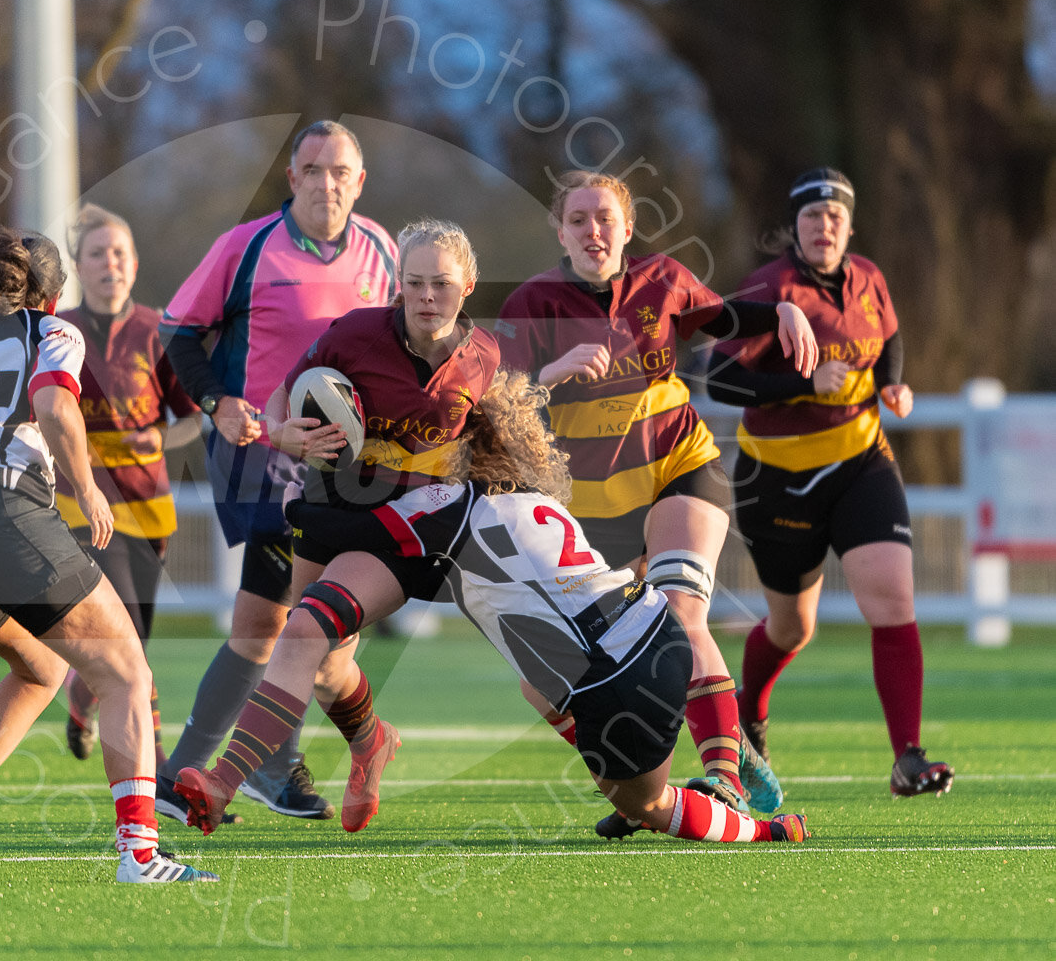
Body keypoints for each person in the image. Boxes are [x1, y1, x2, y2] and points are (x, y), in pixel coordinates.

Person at [181, 370, 811, 844]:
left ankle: (762, 830)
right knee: (538, 687)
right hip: (658, 634)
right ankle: (652, 778)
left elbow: (351, 527)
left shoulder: (443, 509)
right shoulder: (533, 497)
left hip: (614, 680)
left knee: (651, 805)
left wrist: (302, 477)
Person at [0, 227, 215, 884]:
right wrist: (87, 489)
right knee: (127, 672)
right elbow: (54, 405)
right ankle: (141, 854)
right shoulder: (52, 330)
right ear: (54, 295)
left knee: (41, 667)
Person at [495, 170, 819, 826]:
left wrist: (783, 310)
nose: (593, 230)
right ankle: (640, 784)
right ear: (559, 231)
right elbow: (492, 402)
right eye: (578, 219)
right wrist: (551, 375)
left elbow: (723, 316)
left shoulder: (663, 280)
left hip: (678, 466)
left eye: (605, 218)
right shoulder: (533, 303)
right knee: (540, 677)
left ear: (627, 228)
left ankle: (723, 777)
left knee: (680, 612)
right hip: (588, 506)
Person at [172, 218, 500, 834]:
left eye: (442, 284)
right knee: (325, 666)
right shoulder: (354, 333)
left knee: (300, 633)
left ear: (468, 286)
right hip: (328, 507)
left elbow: (494, 445)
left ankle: (222, 782)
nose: (427, 296)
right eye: (414, 282)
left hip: (403, 529)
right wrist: (282, 434)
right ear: (398, 283)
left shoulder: (484, 359)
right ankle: (371, 740)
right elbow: (284, 396)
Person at [155, 120, 397, 823]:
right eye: (312, 169)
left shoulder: (383, 250)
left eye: (340, 171)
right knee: (272, 620)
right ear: (292, 178)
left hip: (349, 467)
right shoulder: (246, 246)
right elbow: (178, 331)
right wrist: (216, 402)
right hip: (261, 456)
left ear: (360, 181)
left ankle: (284, 759)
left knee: (307, 633)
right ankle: (204, 769)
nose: (327, 183)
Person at [706, 167, 953, 797]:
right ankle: (749, 711)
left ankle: (908, 757)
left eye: (835, 215)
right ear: (795, 226)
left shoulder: (868, 276)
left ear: (849, 224)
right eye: (813, 215)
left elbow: (890, 338)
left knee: (893, 601)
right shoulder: (769, 289)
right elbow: (720, 380)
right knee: (793, 627)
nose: (825, 225)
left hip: (862, 462)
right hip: (779, 478)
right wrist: (801, 384)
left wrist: (892, 383)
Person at [53, 204, 202, 768]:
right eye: (97, 253)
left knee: (131, 640)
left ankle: (80, 695)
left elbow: (191, 418)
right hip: (80, 504)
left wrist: (158, 437)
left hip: (148, 507)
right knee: (129, 644)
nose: (109, 263)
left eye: (119, 253)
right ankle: (157, 771)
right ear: (79, 266)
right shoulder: (57, 331)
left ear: (134, 264)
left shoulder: (158, 331)